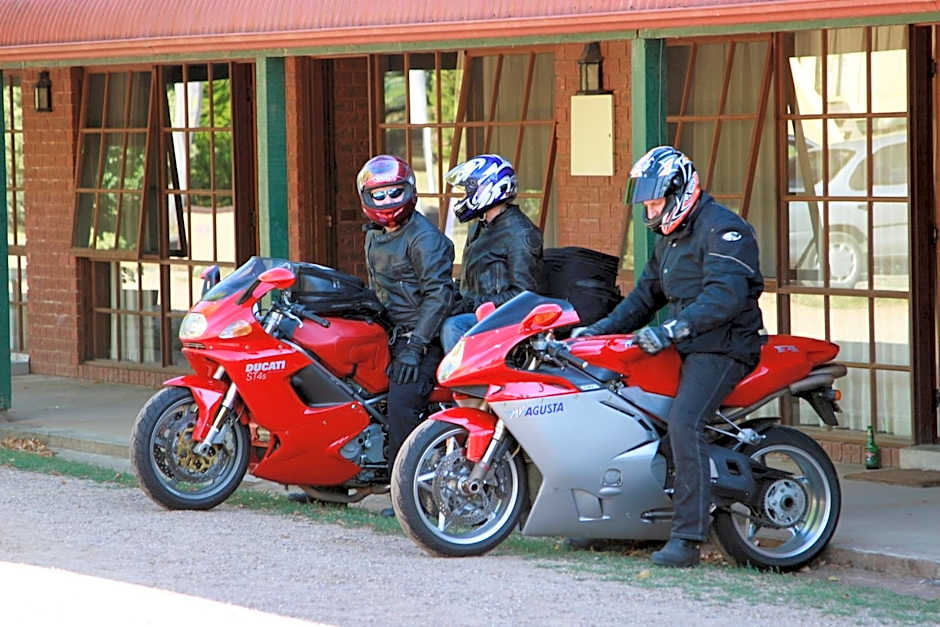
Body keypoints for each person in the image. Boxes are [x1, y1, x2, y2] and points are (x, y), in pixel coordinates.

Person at [572, 146, 765, 568]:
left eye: (655, 201)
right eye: (647, 203)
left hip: (724, 345)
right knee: (623, 409)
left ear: (681, 191)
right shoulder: (669, 239)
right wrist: (595, 332)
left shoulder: (724, 230)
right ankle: (615, 524)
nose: (650, 210)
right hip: (685, 343)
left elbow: (725, 295)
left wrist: (674, 329)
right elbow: (644, 296)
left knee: (684, 422)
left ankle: (687, 539)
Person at [358, 154, 455, 474]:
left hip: (422, 337)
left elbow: (439, 294)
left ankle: (403, 486)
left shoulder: (424, 239)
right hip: (388, 332)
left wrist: (416, 347)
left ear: (410, 191)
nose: (387, 201)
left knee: (402, 404)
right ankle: (334, 478)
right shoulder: (374, 234)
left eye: (394, 192)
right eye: (379, 195)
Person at [440, 154, 543, 353]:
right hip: (477, 310)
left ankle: (468, 384)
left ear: (488, 188)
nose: (464, 196)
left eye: (468, 190)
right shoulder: (480, 227)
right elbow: (465, 279)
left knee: (453, 326)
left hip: (503, 317)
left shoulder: (521, 233)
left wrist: (474, 304)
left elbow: (525, 294)